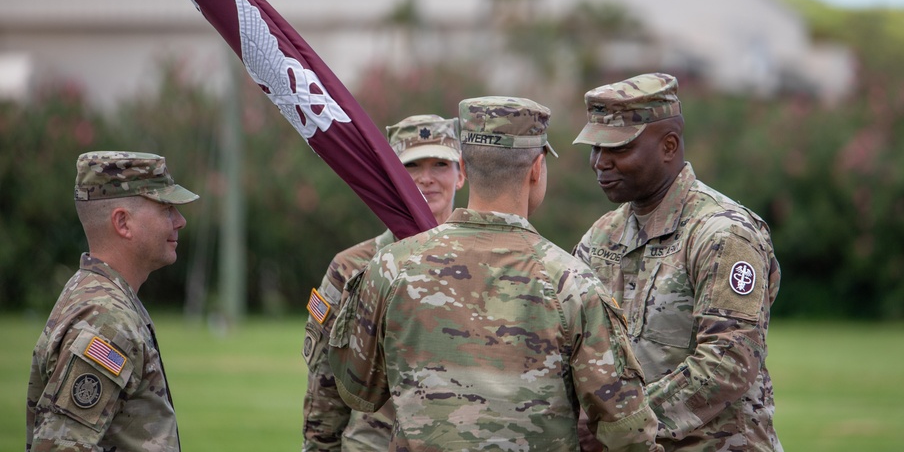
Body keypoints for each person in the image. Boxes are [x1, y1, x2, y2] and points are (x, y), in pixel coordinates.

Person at [327, 96, 663, 451]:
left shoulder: (390, 267)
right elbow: (627, 431)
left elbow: (357, 389)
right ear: (537, 168)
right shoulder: (573, 282)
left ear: (465, 170)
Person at [572, 73, 783, 451]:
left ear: (668, 145)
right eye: (596, 149)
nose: (600, 163)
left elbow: (728, 362)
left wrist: (621, 424)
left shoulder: (722, 234)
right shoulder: (601, 237)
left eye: (617, 149)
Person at [302, 114, 466, 451]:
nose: (426, 179)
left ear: (460, 173)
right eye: (411, 167)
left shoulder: (483, 261)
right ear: (390, 177)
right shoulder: (351, 267)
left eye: (440, 164)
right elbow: (326, 379)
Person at [26, 150, 199, 451]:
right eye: (166, 208)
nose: (180, 220)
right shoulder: (106, 321)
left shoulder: (101, 296)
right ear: (123, 223)